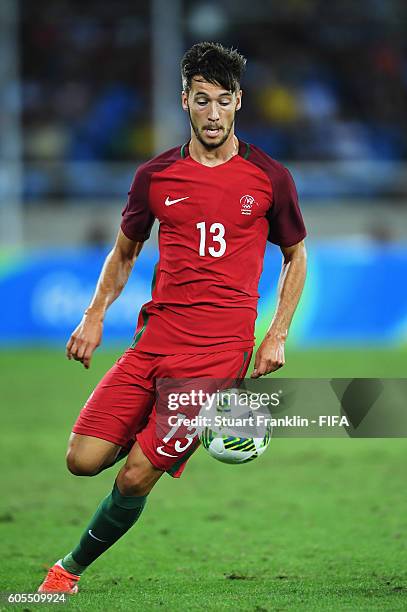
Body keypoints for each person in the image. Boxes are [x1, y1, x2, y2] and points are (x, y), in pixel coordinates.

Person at [38, 42, 307, 594]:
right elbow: (124, 252)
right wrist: (93, 316)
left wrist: (276, 332)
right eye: (202, 100)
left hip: (216, 354)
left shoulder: (268, 178)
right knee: (82, 460)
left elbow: (295, 255)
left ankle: (66, 572)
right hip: (153, 341)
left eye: (224, 101)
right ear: (185, 100)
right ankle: (162, 430)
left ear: (239, 103)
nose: (213, 113)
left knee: (136, 474)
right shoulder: (155, 176)